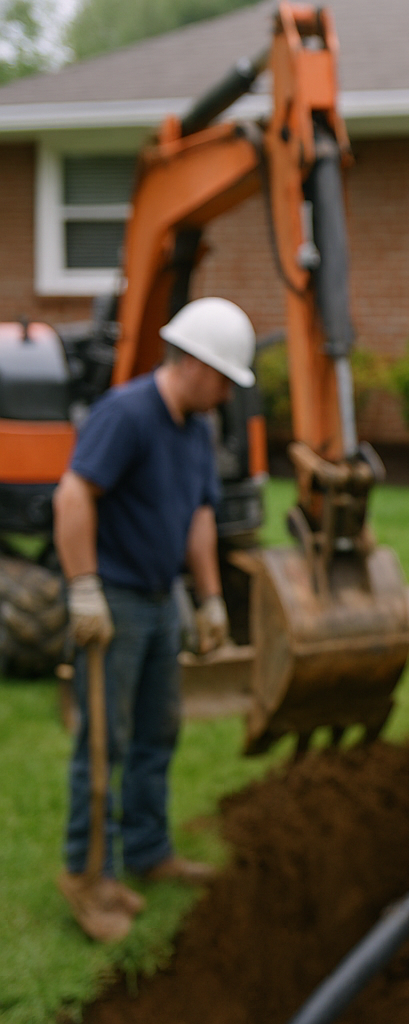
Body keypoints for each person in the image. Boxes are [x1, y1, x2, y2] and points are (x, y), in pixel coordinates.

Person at [53, 296, 256, 943]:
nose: (225, 392)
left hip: (160, 597)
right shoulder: (129, 412)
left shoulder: (197, 427)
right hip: (112, 596)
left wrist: (209, 598)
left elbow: (199, 515)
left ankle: (147, 850)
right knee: (102, 741)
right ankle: (88, 877)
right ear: (194, 364)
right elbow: (74, 493)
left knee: (156, 729)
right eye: (223, 377)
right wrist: (84, 589)